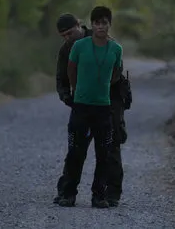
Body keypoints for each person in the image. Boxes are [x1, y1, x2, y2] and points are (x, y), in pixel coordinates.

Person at [53, 12, 132, 207]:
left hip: (109, 101)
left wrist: (110, 99)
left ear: (79, 26)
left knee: (109, 148)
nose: (67, 38)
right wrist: (69, 97)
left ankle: (109, 193)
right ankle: (66, 191)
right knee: (75, 149)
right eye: (63, 35)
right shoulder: (68, 49)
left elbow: (115, 73)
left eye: (70, 33)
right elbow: (62, 77)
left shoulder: (103, 40)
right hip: (82, 103)